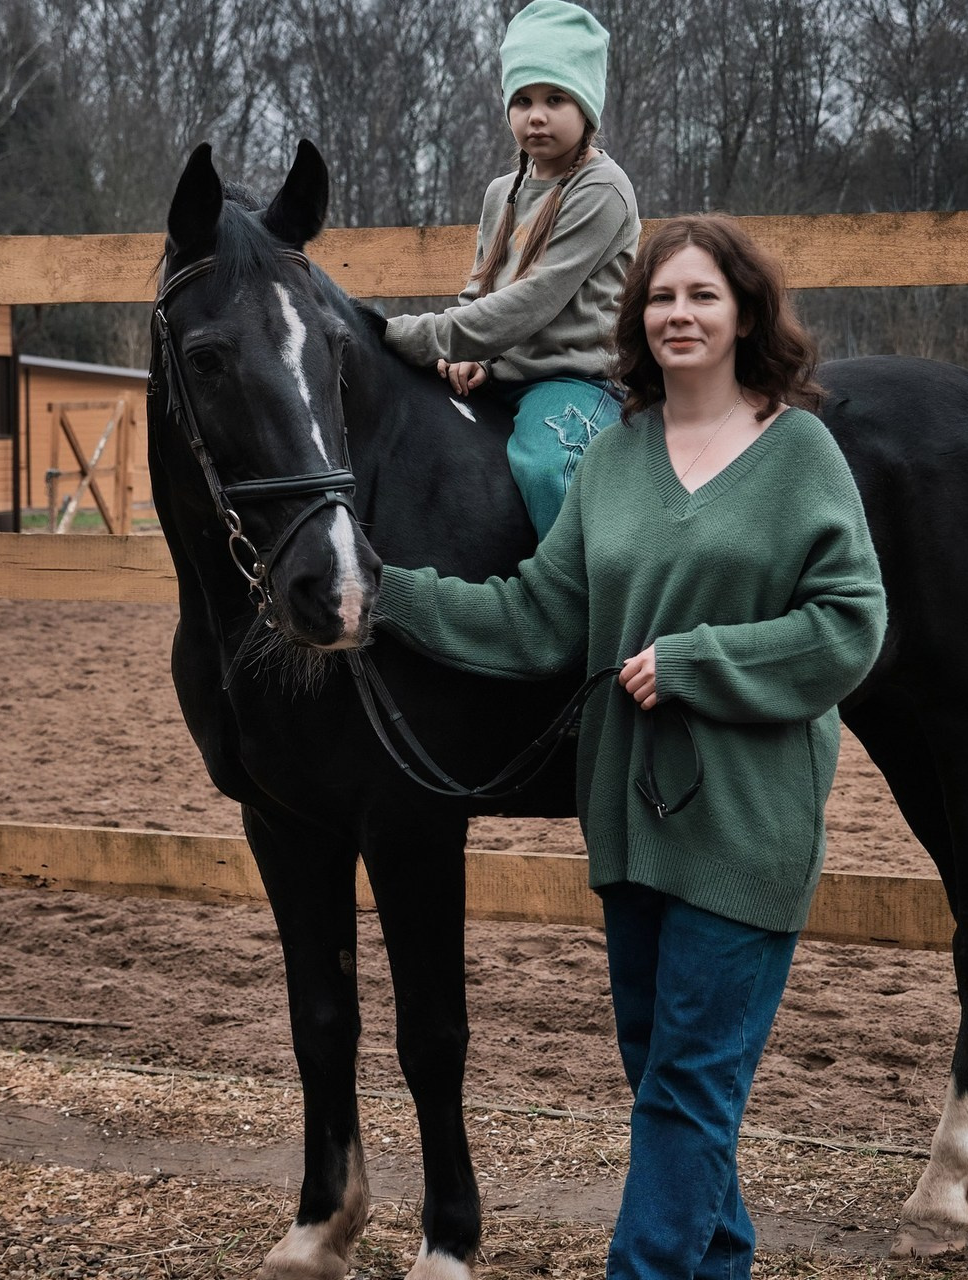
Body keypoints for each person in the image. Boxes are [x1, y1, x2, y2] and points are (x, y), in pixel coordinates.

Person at [374, 214, 887, 1279]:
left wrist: (698, 661)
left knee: (687, 1089)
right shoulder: (610, 459)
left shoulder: (797, 451)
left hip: (743, 829)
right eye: (659, 297)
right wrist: (392, 596)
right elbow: (538, 616)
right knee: (668, 1083)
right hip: (630, 829)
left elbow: (848, 625)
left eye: (700, 294)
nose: (677, 314)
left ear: (744, 310)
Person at [382, 0, 639, 539]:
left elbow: (535, 300)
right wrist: (471, 359)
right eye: (522, 100)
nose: (536, 115)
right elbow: (482, 287)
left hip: (575, 379)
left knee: (550, 467)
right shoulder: (503, 192)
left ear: (586, 107)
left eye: (555, 98)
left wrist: (423, 338)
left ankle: (584, 602)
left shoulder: (603, 189)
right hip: (505, 373)